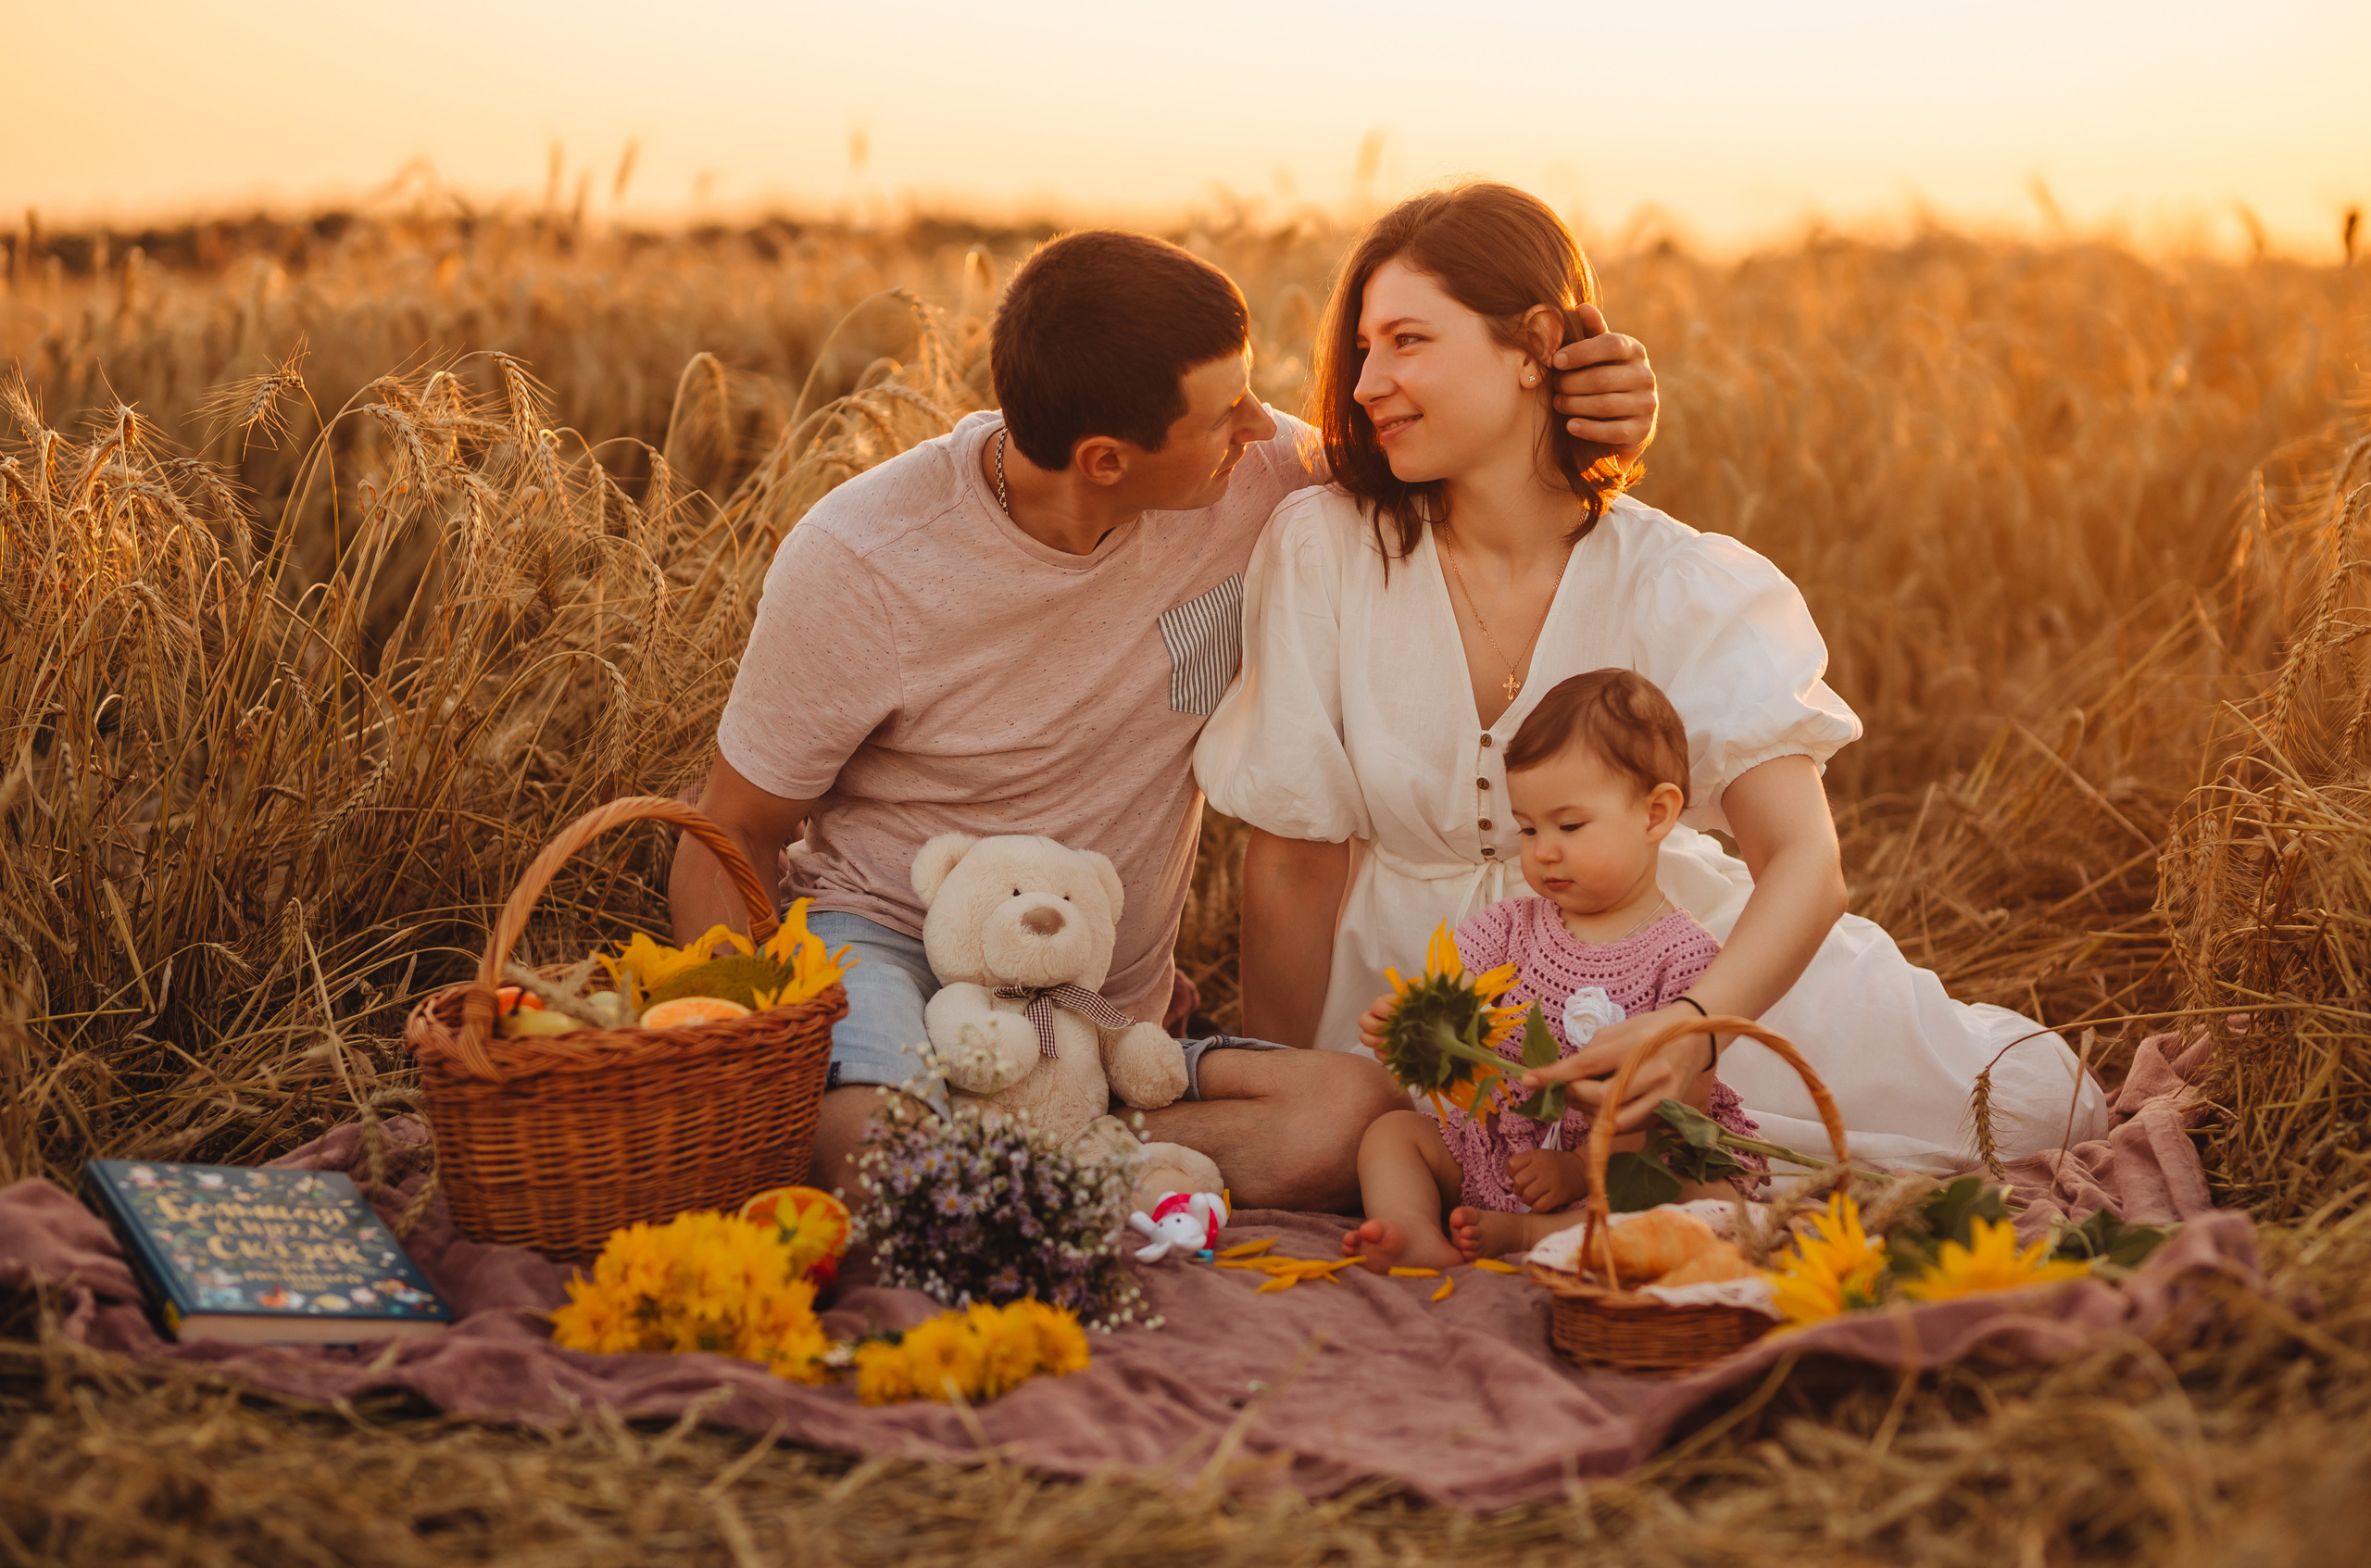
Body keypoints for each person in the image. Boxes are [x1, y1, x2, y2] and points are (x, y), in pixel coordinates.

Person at [669, 226, 1663, 1210]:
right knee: (870, 1145)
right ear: (1106, 461)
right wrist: (748, 1047)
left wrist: (1597, 412)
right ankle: (992, 1168)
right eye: (1224, 414)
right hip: (891, 939)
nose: (1261, 427)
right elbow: (732, 832)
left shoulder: (1260, 477)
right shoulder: (863, 560)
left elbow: (1456, 458)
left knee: (1345, 1115)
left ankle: (991, 1177)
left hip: (1099, 1006)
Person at [1195, 182, 2107, 1173]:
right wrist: (1285, 1078)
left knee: (2033, 1108)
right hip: (1411, 998)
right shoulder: (1325, 548)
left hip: (1649, 960)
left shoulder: (1681, 583)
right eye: (1363, 348)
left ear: (1536, 342)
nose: (1367, 382)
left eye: (1408, 341)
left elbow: (1804, 860)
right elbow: (1291, 861)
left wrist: (1696, 1030)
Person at [1342, 669, 1766, 1272]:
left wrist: (1577, 1166)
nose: (1543, 850)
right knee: (1391, 1135)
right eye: (1529, 827)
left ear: (1655, 814)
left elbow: (1676, 1103)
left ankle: (1530, 1234)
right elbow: (1456, 1011)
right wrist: (1413, 1024)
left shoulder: (1686, 958)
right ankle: (1412, 1228)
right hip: (1506, 1147)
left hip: (1621, 1164)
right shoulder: (1509, 928)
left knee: (1706, 1201)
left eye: (1569, 826)